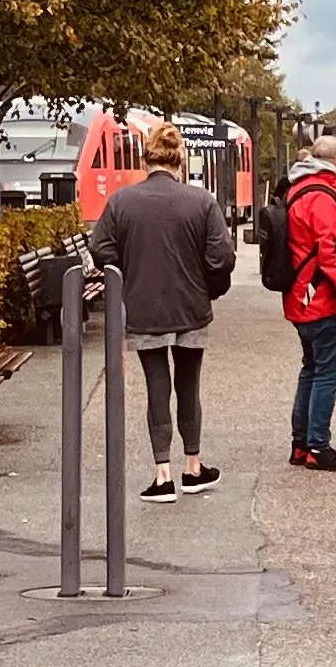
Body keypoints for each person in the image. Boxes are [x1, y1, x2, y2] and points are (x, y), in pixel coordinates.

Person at [98, 120, 235, 500]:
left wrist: (130, 274)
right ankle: (194, 467)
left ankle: (162, 476)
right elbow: (221, 257)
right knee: (189, 384)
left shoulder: (122, 202)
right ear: (180, 160)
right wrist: (209, 288)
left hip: (144, 307)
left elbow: (102, 250)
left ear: (147, 160)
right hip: (191, 304)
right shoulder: (202, 201)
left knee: (156, 385)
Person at [279, 138, 336, 471]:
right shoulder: (323, 197)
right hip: (320, 299)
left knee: (311, 370)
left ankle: (301, 444)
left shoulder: (297, 189)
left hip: (300, 297)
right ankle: (318, 446)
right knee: (330, 372)